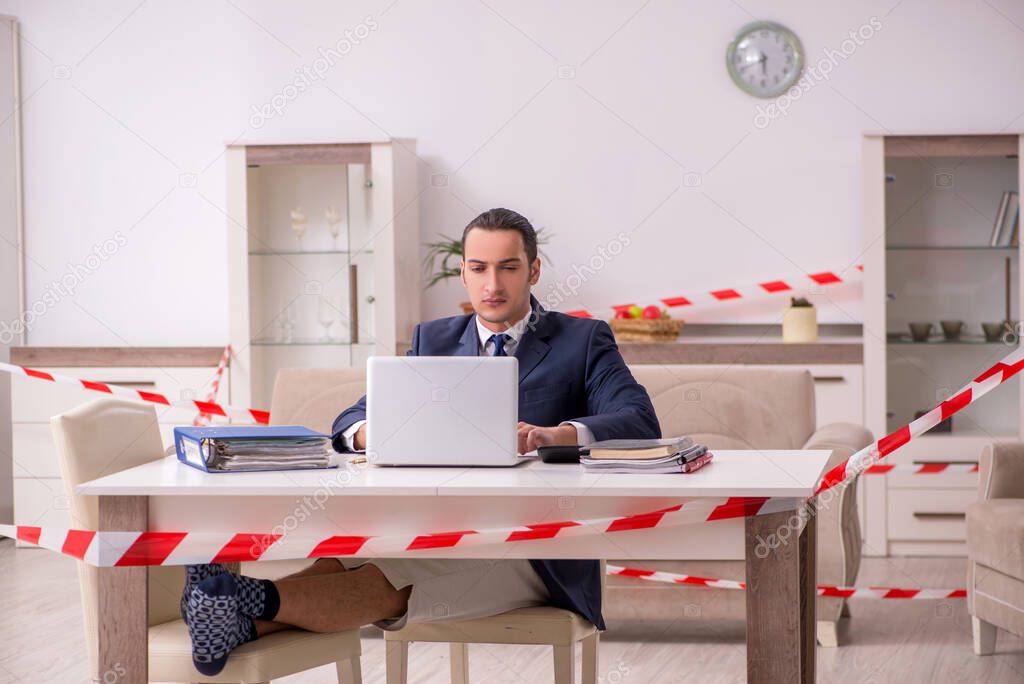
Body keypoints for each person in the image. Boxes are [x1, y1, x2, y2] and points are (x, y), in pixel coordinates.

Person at [181, 207, 661, 675]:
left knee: (386, 579)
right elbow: (352, 418)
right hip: (437, 529)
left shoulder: (582, 339)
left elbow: (640, 421)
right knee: (346, 559)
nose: (492, 284)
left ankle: (236, 599)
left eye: (508, 268)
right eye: (479, 268)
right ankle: (230, 616)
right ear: (463, 273)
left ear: (533, 271)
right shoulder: (433, 339)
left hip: (537, 551)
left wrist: (557, 434)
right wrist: (375, 432)